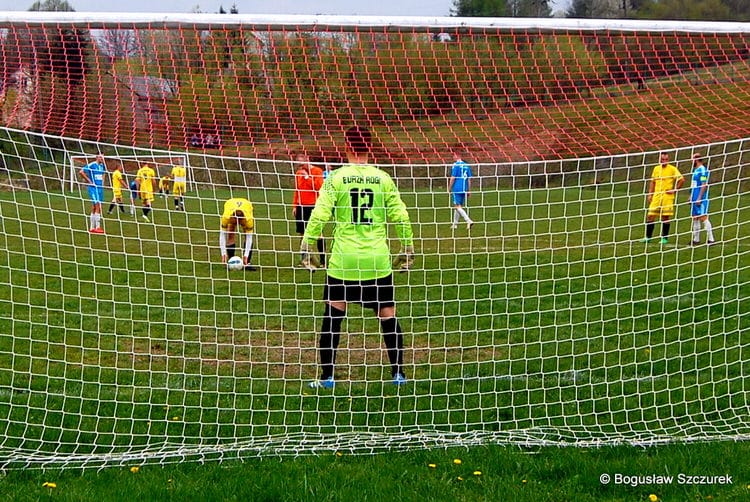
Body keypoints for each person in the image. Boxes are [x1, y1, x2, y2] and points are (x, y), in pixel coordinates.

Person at [301, 126, 414, 389]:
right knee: (387, 315)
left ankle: (327, 378)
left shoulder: (337, 178)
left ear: (346, 147)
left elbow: (319, 215)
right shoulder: (383, 178)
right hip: (377, 260)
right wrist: (407, 247)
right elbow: (401, 215)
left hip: (344, 261)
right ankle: (398, 374)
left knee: (332, 316)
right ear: (370, 147)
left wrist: (306, 245)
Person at [641, 152, 685, 245]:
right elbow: (652, 182)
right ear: (660, 160)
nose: (664, 161)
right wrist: (650, 194)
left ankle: (664, 238)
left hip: (667, 197)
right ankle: (648, 237)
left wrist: (674, 190)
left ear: (668, 160)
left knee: (665, 217)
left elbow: (681, 179)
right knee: (650, 216)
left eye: (666, 159)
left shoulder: (672, 169)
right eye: (662, 159)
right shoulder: (656, 169)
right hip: (656, 196)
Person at [292, 154, 326, 267]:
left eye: (302, 164)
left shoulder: (317, 171)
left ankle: (323, 261)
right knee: (302, 234)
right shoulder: (298, 173)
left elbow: (319, 187)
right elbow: (297, 189)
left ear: (307, 160)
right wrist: (295, 205)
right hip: (301, 206)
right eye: (299, 165)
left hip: (313, 206)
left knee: (318, 233)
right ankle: (305, 260)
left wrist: (307, 177)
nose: (300, 167)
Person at [219, 197, 256, 270]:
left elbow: (249, 238)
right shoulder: (226, 217)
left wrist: (246, 255)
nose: (237, 222)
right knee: (230, 232)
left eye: (240, 220)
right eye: (235, 220)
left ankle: (247, 262)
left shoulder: (248, 220)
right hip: (230, 204)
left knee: (246, 233)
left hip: (246, 204)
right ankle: (231, 261)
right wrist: (223, 253)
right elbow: (222, 235)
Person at [690, 153, 716, 245]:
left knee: (703, 217)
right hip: (694, 196)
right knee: (695, 217)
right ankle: (696, 239)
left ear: (696, 159)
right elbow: (694, 184)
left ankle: (711, 239)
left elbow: (704, 184)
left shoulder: (703, 170)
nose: (691, 161)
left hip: (700, 197)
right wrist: (691, 196)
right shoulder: (695, 170)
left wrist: (699, 198)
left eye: (692, 159)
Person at [79, 154, 107, 234]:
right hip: (93, 188)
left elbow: (104, 173)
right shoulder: (92, 165)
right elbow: (81, 172)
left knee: (95, 206)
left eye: (103, 157)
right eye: (100, 157)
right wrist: (89, 181)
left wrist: (102, 183)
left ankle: (91, 228)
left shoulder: (102, 166)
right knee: (98, 205)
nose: (102, 158)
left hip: (99, 188)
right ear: (96, 157)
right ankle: (97, 227)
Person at [448, 150, 474, 230]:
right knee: (458, 206)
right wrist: (469, 190)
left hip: (457, 187)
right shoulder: (466, 165)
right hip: (464, 188)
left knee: (457, 206)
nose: (453, 157)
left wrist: (449, 187)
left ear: (457, 156)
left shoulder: (456, 165)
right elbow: (469, 179)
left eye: (454, 155)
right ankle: (455, 224)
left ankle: (468, 220)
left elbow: (453, 177)